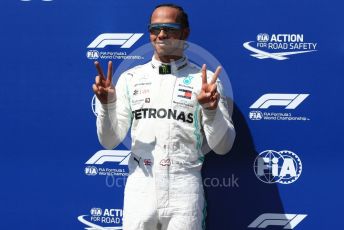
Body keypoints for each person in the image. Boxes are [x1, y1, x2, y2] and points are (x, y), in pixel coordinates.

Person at [92, 3, 235, 230]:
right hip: (141, 186)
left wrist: (210, 110)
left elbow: (223, 147)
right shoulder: (130, 78)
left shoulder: (204, 81)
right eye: (154, 28)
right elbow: (108, 141)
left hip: (184, 187)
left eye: (169, 28)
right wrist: (107, 104)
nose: (161, 34)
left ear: (185, 33)